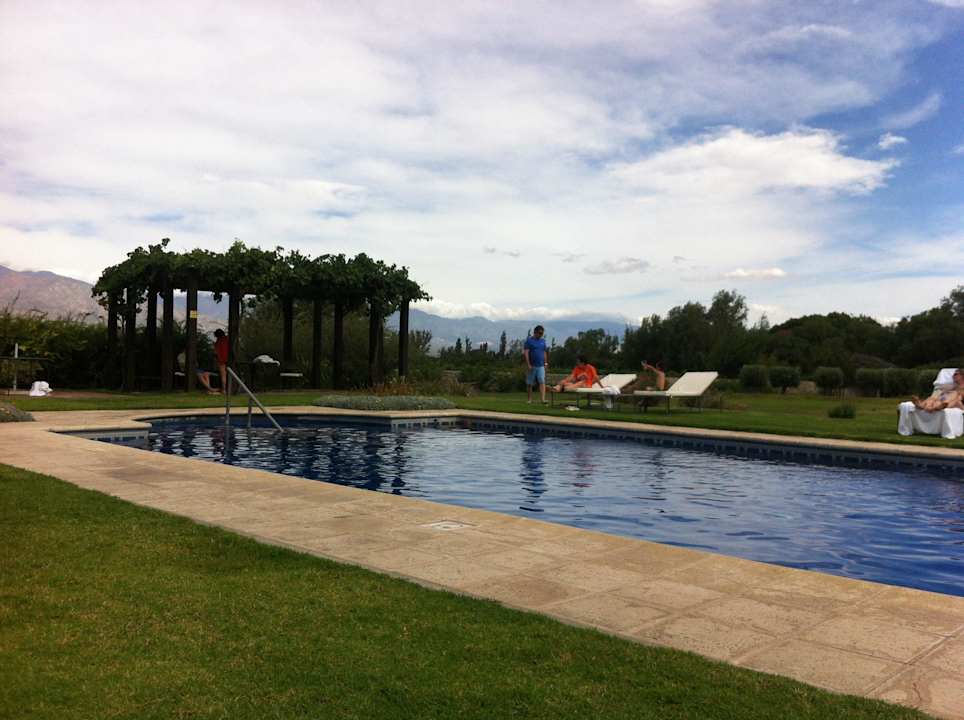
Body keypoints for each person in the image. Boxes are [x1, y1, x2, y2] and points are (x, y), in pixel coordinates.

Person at [524, 325, 549, 404]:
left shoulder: (543, 341)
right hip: (532, 365)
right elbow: (526, 353)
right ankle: (529, 399)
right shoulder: (529, 341)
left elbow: (544, 352)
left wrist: (545, 363)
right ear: (535, 332)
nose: (541, 335)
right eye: (539, 333)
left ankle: (542, 399)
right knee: (530, 383)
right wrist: (528, 364)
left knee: (542, 381)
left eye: (542, 333)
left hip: (541, 365)